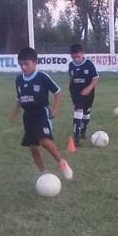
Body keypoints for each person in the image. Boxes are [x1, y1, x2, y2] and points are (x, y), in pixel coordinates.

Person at [10, 47, 74, 180]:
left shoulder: (42, 77)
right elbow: (19, 98)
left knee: (44, 140)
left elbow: (57, 92)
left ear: (35, 62)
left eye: (26, 64)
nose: (23, 67)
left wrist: (54, 109)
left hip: (41, 113)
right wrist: (15, 112)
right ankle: (43, 173)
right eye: (21, 64)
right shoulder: (19, 80)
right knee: (33, 147)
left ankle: (61, 162)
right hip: (28, 115)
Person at [68, 44, 99, 146]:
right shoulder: (71, 65)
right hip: (76, 92)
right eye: (74, 57)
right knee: (78, 111)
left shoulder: (89, 64)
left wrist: (88, 88)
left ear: (83, 54)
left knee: (86, 114)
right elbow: (71, 78)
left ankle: (83, 131)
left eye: (78, 57)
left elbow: (95, 78)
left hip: (89, 92)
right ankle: (76, 137)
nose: (76, 59)